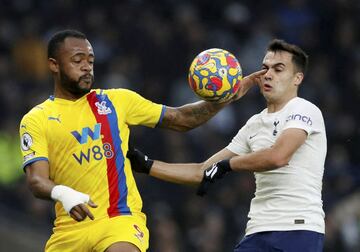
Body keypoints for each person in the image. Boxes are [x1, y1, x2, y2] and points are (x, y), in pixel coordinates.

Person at [19, 29, 264, 252]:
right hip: (68, 231)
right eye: (77, 60)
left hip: (119, 221)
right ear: (54, 65)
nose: (86, 67)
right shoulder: (37, 120)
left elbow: (181, 118)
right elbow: (37, 180)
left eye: (90, 61)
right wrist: (64, 194)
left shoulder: (116, 101)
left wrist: (226, 98)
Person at [128, 39, 327, 252]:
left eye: (279, 69)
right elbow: (201, 171)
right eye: (264, 68)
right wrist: (148, 165)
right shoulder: (255, 124)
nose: (268, 74)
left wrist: (228, 164)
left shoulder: (305, 110)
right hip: (258, 231)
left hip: (298, 229)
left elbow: (278, 157)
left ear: (298, 78)